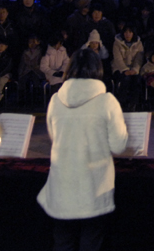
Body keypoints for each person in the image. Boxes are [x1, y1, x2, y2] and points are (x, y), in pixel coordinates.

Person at [37, 48, 129, 251]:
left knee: (62, 242)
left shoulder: (56, 100)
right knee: (91, 241)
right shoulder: (107, 101)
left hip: (62, 184)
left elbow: (54, 137)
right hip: (94, 186)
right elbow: (118, 145)